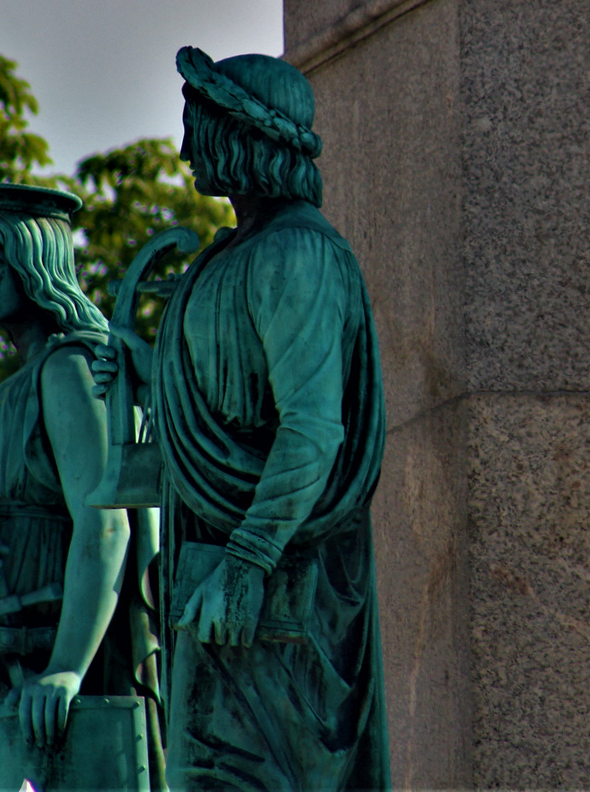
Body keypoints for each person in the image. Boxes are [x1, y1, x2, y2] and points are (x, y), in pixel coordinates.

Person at [93, 47, 389, 791]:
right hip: (217, 581)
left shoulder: (295, 254)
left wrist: (248, 560)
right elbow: (220, 398)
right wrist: (143, 362)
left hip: (268, 591)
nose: (186, 148)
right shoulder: (231, 256)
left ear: (242, 137)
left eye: (199, 127)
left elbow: (313, 428)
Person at [0, 183, 162, 791]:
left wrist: (68, 669)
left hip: (44, 671)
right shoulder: (14, 388)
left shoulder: (69, 369)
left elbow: (106, 523)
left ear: (33, 264)